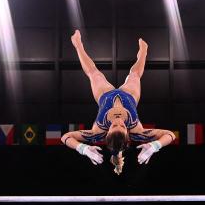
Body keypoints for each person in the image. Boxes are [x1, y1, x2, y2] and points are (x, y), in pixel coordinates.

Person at [61, 31, 176, 175]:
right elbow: (170, 135)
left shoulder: (97, 132)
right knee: (135, 75)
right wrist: (154, 146)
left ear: (106, 132)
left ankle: (78, 45)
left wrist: (83, 149)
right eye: (122, 125)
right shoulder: (137, 131)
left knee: (93, 73)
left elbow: (65, 137)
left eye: (114, 125)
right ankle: (144, 51)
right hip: (129, 95)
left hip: (104, 95)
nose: (118, 121)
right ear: (128, 132)